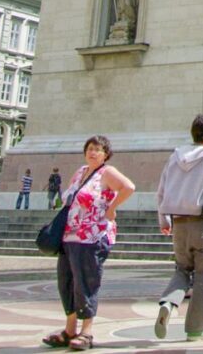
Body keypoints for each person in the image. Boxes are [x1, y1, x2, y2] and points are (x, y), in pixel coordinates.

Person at [41, 136, 136, 351]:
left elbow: (129, 187)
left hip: (92, 237)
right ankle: (69, 330)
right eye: (90, 148)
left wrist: (112, 208)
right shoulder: (79, 172)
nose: (93, 152)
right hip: (69, 236)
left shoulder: (107, 172)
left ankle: (87, 332)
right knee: (67, 282)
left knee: (86, 282)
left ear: (106, 154)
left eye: (98, 150)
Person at [154, 115, 203, 342]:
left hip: (177, 223)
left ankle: (169, 302)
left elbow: (161, 191)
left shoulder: (174, 157)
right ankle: (196, 330)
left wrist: (164, 221)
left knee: (182, 269)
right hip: (201, 222)